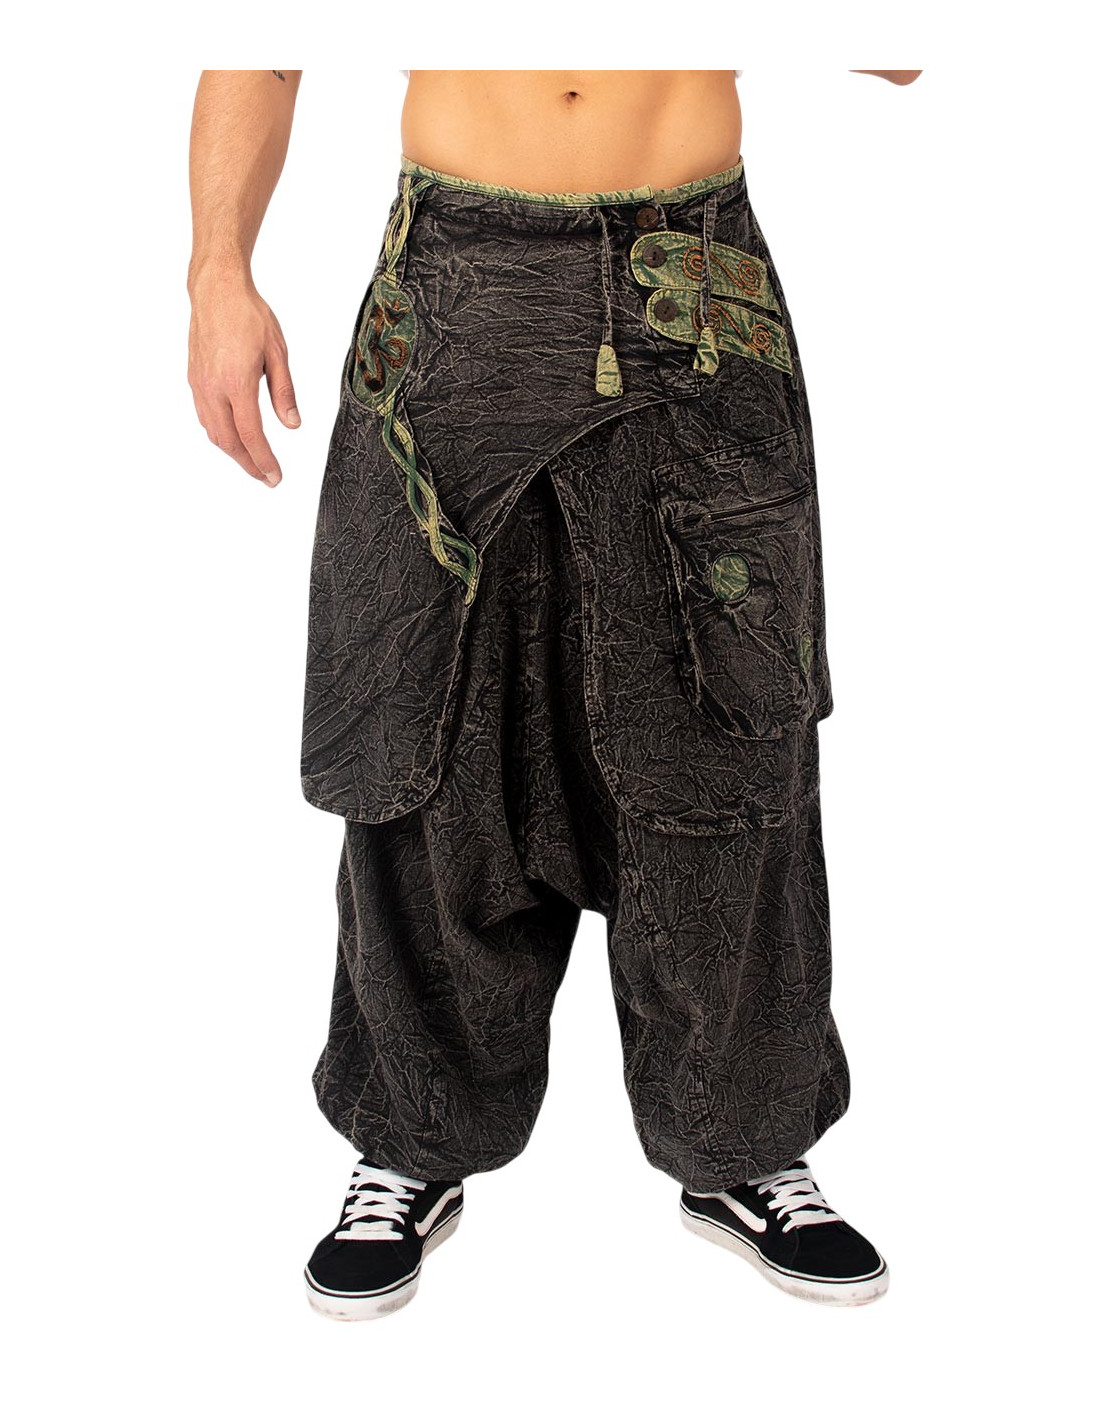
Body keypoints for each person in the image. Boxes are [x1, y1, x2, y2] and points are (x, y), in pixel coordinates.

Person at [187, 67, 922, 1320]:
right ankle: (411, 1139)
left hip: (690, 276)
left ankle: (741, 1145)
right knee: (421, 717)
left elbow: (896, 50)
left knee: (724, 725)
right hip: (455, 277)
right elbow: (258, 42)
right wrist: (218, 271)